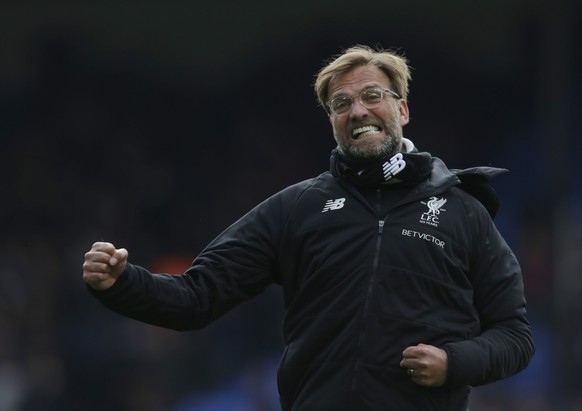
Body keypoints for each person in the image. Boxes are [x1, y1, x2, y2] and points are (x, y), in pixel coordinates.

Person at [83, 44, 534, 411]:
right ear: (333, 123)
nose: (358, 111)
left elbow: (514, 337)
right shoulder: (298, 207)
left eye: (372, 96)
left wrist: (453, 362)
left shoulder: (462, 211)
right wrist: (122, 283)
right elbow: (196, 298)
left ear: (403, 110)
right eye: (342, 104)